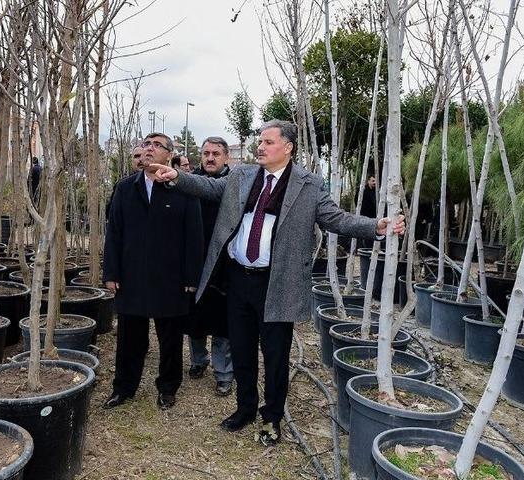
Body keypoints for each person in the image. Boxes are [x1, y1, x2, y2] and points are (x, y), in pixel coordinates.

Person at [148, 120, 404, 446]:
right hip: (238, 280)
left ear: (288, 147)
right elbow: (209, 188)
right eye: (260, 141)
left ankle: (271, 418)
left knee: (275, 356)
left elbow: (336, 219)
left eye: (268, 142)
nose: (260, 147)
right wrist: (177, 178)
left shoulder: (308, 185)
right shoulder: (241, 175)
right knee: (241, 351)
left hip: (277, 283)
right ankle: (244, 409)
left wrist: (376, 227)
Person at [102, 132, 204, 411]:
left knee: (170, 338)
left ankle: (168, 388)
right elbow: (114, 234)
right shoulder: (125, 188)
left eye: (157, 145)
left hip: (170, 278)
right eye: (146, 144)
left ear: (169, 155)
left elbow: (194, 237)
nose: (149, 149)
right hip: (131, 276)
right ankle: (124, 388)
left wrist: (190, 278)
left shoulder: (182, 189)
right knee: (129, 338)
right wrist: (111, 272)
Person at [186, 137, 233, 397]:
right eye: (206, 153)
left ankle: (224, 372)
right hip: (196, 262)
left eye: (216, 153)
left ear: (226, 157)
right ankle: (197, 361)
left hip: (226, 265)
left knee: (223, 322)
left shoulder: (236, 186)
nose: (210, 157)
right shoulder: (189, 183)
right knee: (194, 317)